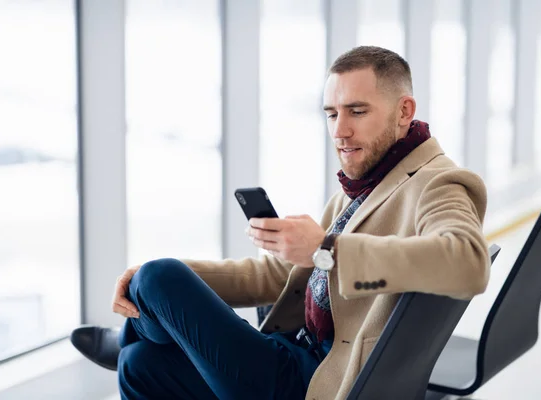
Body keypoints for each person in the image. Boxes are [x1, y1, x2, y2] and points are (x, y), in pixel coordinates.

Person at [70, 46, 491, 399]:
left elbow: (468, 262)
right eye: (331, 114)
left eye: (357, 111)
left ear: (404, 112)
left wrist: (326, 249)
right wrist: (169, 285)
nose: (340, 131)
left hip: (320, 381)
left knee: (158, 278)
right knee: (140, 361)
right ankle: (144, 326)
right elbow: (274, 275)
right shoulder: (369, 182)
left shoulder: (440, 182)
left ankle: (140, 327)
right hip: (294, 352)